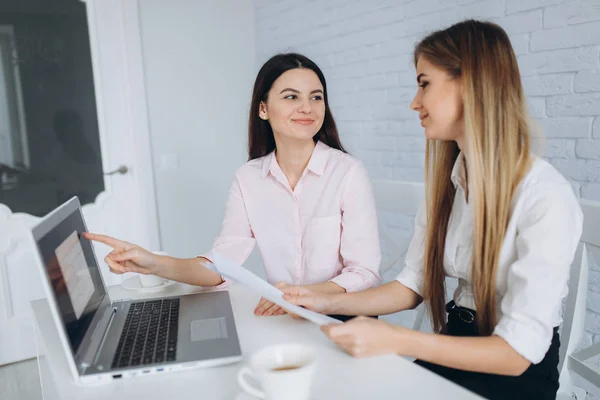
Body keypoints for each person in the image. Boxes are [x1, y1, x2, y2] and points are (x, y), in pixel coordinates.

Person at [282, 20, 583, 400]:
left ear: (471, 83)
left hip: (510, 372)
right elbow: (414, 285)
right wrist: (317, 299)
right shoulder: (451, 183)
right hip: (454, 344)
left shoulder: (544, 196)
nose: (414, 101)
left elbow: (517, 354)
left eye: (424, 83)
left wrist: (397, 340)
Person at [85, 53, 381, 320]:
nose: (307, 107)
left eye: (316, 97)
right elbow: (221, 265)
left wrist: (302, 297)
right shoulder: (248, 178)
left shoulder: (348, 172)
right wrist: (152, 263)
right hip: (288, 315)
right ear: (263, 109)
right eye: (291, 97)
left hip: (347, 316)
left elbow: (364, 272)